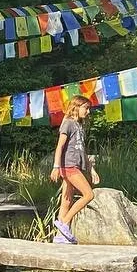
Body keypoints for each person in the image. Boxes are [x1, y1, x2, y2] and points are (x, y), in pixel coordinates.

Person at [50, 97, 97, 244]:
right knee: (89, 195)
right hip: (68, 166)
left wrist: (92, 170)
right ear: (76, 107)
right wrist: (56, 167)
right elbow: (60, 147)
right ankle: (65, 222)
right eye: (86, 108)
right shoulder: (68, 124)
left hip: (76, 165)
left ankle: (60, 236)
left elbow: (83, 151)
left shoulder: (79, 125)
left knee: (67, 199)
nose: (88, 112)